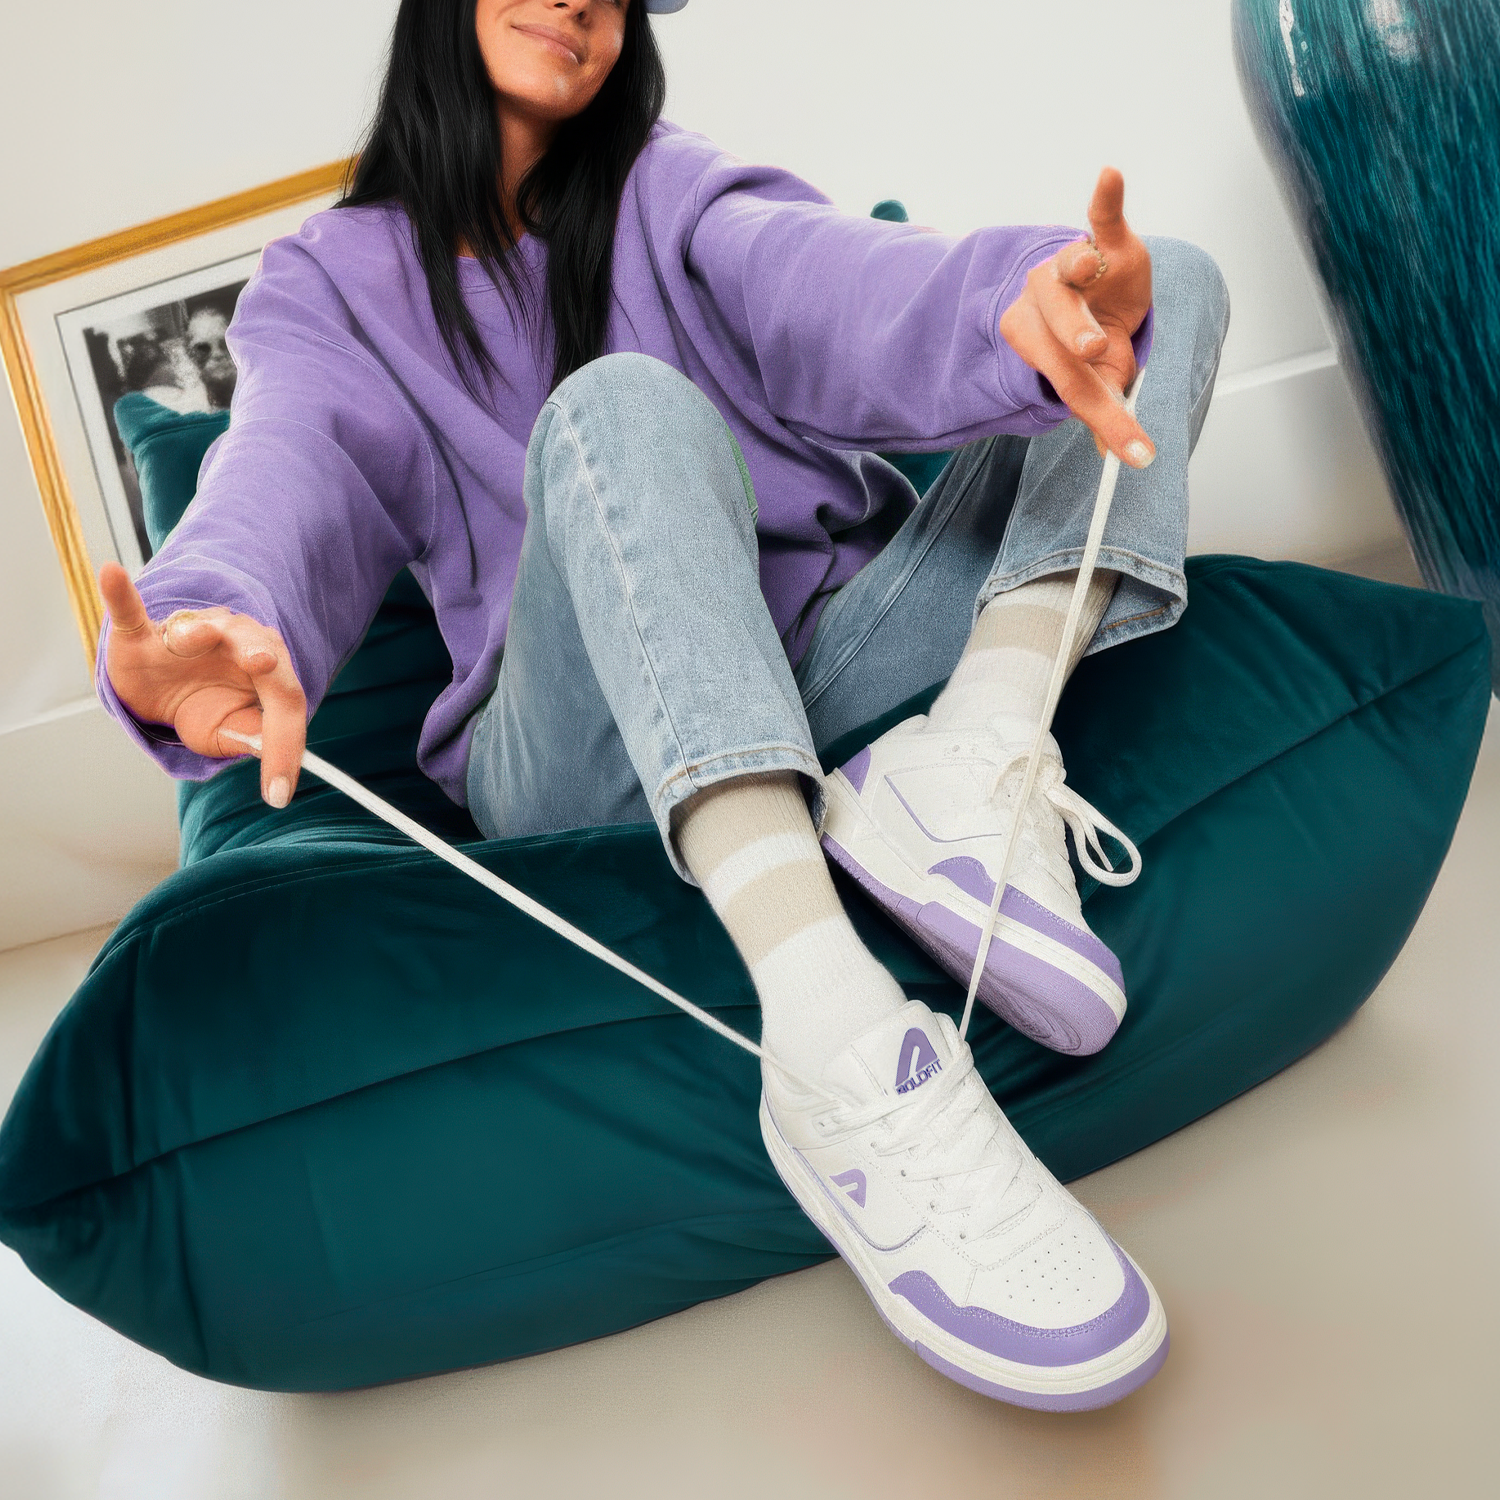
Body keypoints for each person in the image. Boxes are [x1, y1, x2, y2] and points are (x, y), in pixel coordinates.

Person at [96, 0, 1228, 1410]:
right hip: (587, 756)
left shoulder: (669, 185)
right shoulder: (331, 282)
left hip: (831, 666)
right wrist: (214, 613)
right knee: (618, 402)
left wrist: (1018, 305)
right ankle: (836, 1042)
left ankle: (979, 753)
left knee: (1165, 287)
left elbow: (842, 287)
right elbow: (284, 463)